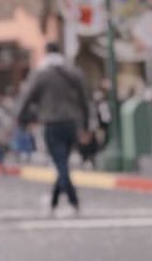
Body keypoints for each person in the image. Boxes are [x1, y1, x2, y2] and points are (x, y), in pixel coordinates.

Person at [16, 42, 95, 215]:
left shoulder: (41, 74)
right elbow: (84, 100)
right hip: (72, 123)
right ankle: (53, 202)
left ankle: (74, 200)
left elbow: (27, 98)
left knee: (60, 163)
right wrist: (86, 125)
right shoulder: (74, 73)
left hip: (51, 123)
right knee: (63, 162)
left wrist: (21, 119)